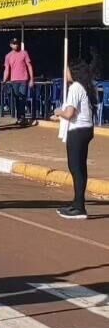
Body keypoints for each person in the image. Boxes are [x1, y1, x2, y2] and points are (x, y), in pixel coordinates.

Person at [53, 59, 97, 219]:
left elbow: (70, 113)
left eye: (67, 70)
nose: (65, 73)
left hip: (78, 130)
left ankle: (79, 207)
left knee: (75, 168)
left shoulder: (75, 88)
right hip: (85, 129)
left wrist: (59, 112)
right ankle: (77, 202)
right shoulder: (83, 87)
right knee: (80, 167)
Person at [3, 36, 34, 125]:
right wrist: (5, 79)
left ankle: (22, 116)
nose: (16, 45)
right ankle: (19, 117)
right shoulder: (8, 56)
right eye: (14, 44)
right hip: (14, 80)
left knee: (22, 97)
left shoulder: (24, 53)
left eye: (17, 43)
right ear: (10, 45)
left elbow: (29, 66)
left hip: (23, 79)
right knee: (17, 98)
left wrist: (31, 79)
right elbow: (7, 69)